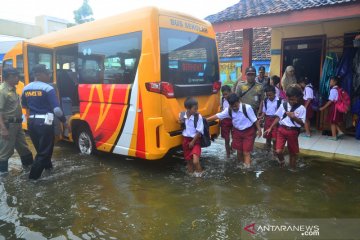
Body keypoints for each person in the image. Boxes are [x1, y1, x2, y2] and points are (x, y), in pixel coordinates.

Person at [21, 64, 66, 180]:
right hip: (45, 123)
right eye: (48, 73)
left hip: (31, 122)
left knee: (41, 150)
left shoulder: (26, 88)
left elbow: (24, 106)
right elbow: (56, 110)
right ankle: (33, 179)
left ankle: (49, 169)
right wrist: (64, 122)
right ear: (40, 74)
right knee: (44, 152)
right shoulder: (48, 88)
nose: (49, 76)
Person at [207, 93, 262, 169]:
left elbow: (255, 120)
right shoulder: (228, 110)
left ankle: (247, 171)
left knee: (246, 152)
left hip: (248, 132)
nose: (234, 108)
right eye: (232, 106)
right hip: (237, 132)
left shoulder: (247, 108)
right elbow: (218, 115)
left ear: (239, 101)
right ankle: (241, 167)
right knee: (239, 152)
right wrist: (206, 120)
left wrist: (259, 130)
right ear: (229, 105)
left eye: (236, 106)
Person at [264, 85, 306, 169]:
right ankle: (282, 162)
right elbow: (278, 117)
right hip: (281, 129)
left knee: (293, 153)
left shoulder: (302, 108)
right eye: (290, 99)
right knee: (278, 151)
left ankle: (292, 169)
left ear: (297, 98)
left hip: (293, 131)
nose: (292, 101)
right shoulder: (284, 105)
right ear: (287, 98)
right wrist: (270, 128)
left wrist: (294, 117)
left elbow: (302, 123)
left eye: (294, 99)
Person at [0, 68, 33, 173]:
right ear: (9, 77)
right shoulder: (2, 91)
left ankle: (30, 171)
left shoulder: (13, 88)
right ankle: (3, 177)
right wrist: (3, 129)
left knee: (24, 148)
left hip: (17, 124)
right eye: (16, 76)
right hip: (8, 125)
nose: (18, 78)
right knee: (6, 152)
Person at [179, 97, 204, 177]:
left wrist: (193, 142)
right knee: (189, 161)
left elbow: (199, 131)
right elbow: (180, 123)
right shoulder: (182, 115)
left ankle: (200, 178)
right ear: (188, 109)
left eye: (197, 108)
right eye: (194, 109)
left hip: (195, 140)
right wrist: (180, 121)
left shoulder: (198, 116)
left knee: (195, 161)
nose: (196, 110)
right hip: (186, 140)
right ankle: (191, 177)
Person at [319, 76, 345, 140]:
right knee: (333, 121)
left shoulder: (333, 90)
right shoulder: (339, 89)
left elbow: (330, 101)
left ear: (335, 82)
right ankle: (339, 131)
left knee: (332, 122)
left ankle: (334, 136)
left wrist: (323, 108)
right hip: (337, 107)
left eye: (331, 81)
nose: (329, 82)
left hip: (334, 107)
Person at [258, 85, 282, 152]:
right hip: (267, 120)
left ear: (274, 93)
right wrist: (261, 117)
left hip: (275, 120)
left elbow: (280, 113)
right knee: (267, 137)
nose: (269, 97)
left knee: (274, 138)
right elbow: (264, 111)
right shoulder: (265, 101)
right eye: (268, 95)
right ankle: (268, 151)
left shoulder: (279, 101)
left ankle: (275, 151)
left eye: (270, 95)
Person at [220, 85, 233, 158]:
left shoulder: (234, 99)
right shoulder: (222, 100)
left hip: (233, 120)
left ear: (230, 92)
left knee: (235, 137)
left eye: (226, 94)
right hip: (225, 121)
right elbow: (221, 109)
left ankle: (232, 147)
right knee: (226, 139)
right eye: (223, 94)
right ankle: (228, 155)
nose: (225, 96)